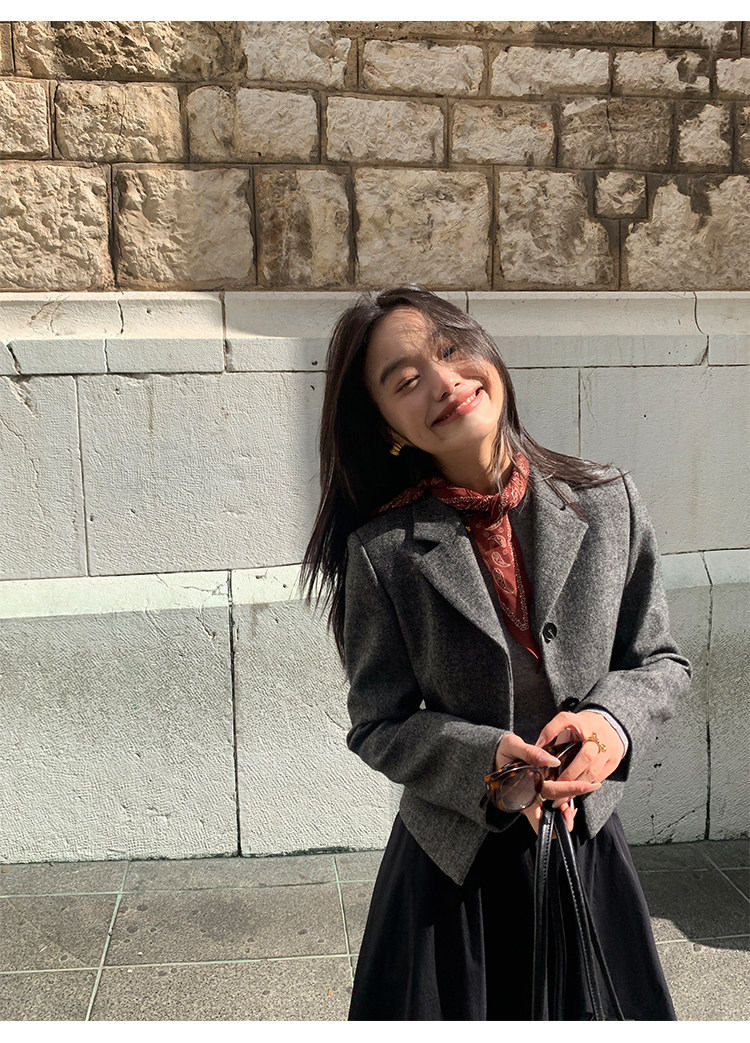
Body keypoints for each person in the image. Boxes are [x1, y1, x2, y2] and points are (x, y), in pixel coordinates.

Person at [302, 286, 691, 1021]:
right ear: (386, 426)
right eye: (405, 379)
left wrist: (610, 724)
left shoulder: (609, 501)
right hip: (451, 877)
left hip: (584, 847)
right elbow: (377, 723)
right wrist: (487, 763)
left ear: (487, 353)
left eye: (451, 349)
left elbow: (659, 660)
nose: (444, 381)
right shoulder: (383, 553)